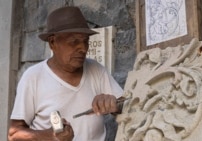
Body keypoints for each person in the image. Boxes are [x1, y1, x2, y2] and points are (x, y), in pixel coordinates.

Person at [8, 6, 123, 141]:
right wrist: (50, 136)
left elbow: (126, 105)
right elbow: (14, 135)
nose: (83, 48)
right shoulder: (33, 77)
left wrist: (114, 105)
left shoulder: (96, 70)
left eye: (86, 41)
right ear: (52, 42)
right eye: (74, 41)